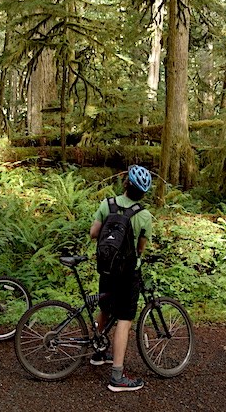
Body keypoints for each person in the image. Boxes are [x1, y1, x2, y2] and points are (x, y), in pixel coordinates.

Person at [89, 165, 153, 392]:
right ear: (143, 192)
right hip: (127, 274)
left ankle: (99, 352)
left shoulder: (107, 205)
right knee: (125, 320)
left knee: (105, 308)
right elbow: (140, 249)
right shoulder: (144, 215)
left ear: (125, 183)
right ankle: (117, 376)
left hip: (106, 269)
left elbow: (93, 233)